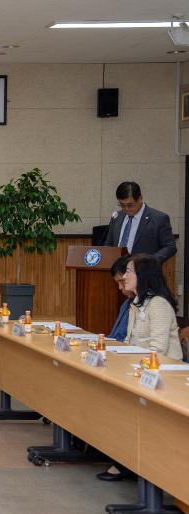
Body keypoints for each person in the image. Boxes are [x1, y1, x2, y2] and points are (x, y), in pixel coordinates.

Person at [98, 253, 180, 483]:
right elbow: (130, 341)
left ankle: (133, 462)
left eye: (129, 271)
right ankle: (123, 455)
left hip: (163, 375)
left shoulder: (159, 304)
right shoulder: (136, 304)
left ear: (143, 275)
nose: (124, 276)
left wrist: (130, 363)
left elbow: (158, 349)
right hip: (141, 369)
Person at [102, 181, 176, 264]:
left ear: (140, 198)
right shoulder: (117, 217)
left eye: (130, 205)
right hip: (118, 269)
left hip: (144, 270)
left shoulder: (159, 218)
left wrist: (151, 261)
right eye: (122, 205)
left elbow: (170, 246)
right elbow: (108, 243)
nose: (126, 209)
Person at [108, 254, 132, 342]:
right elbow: (114, 336)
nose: (120, 287)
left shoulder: (156, 304)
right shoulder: (126, 304)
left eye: (122, 281)